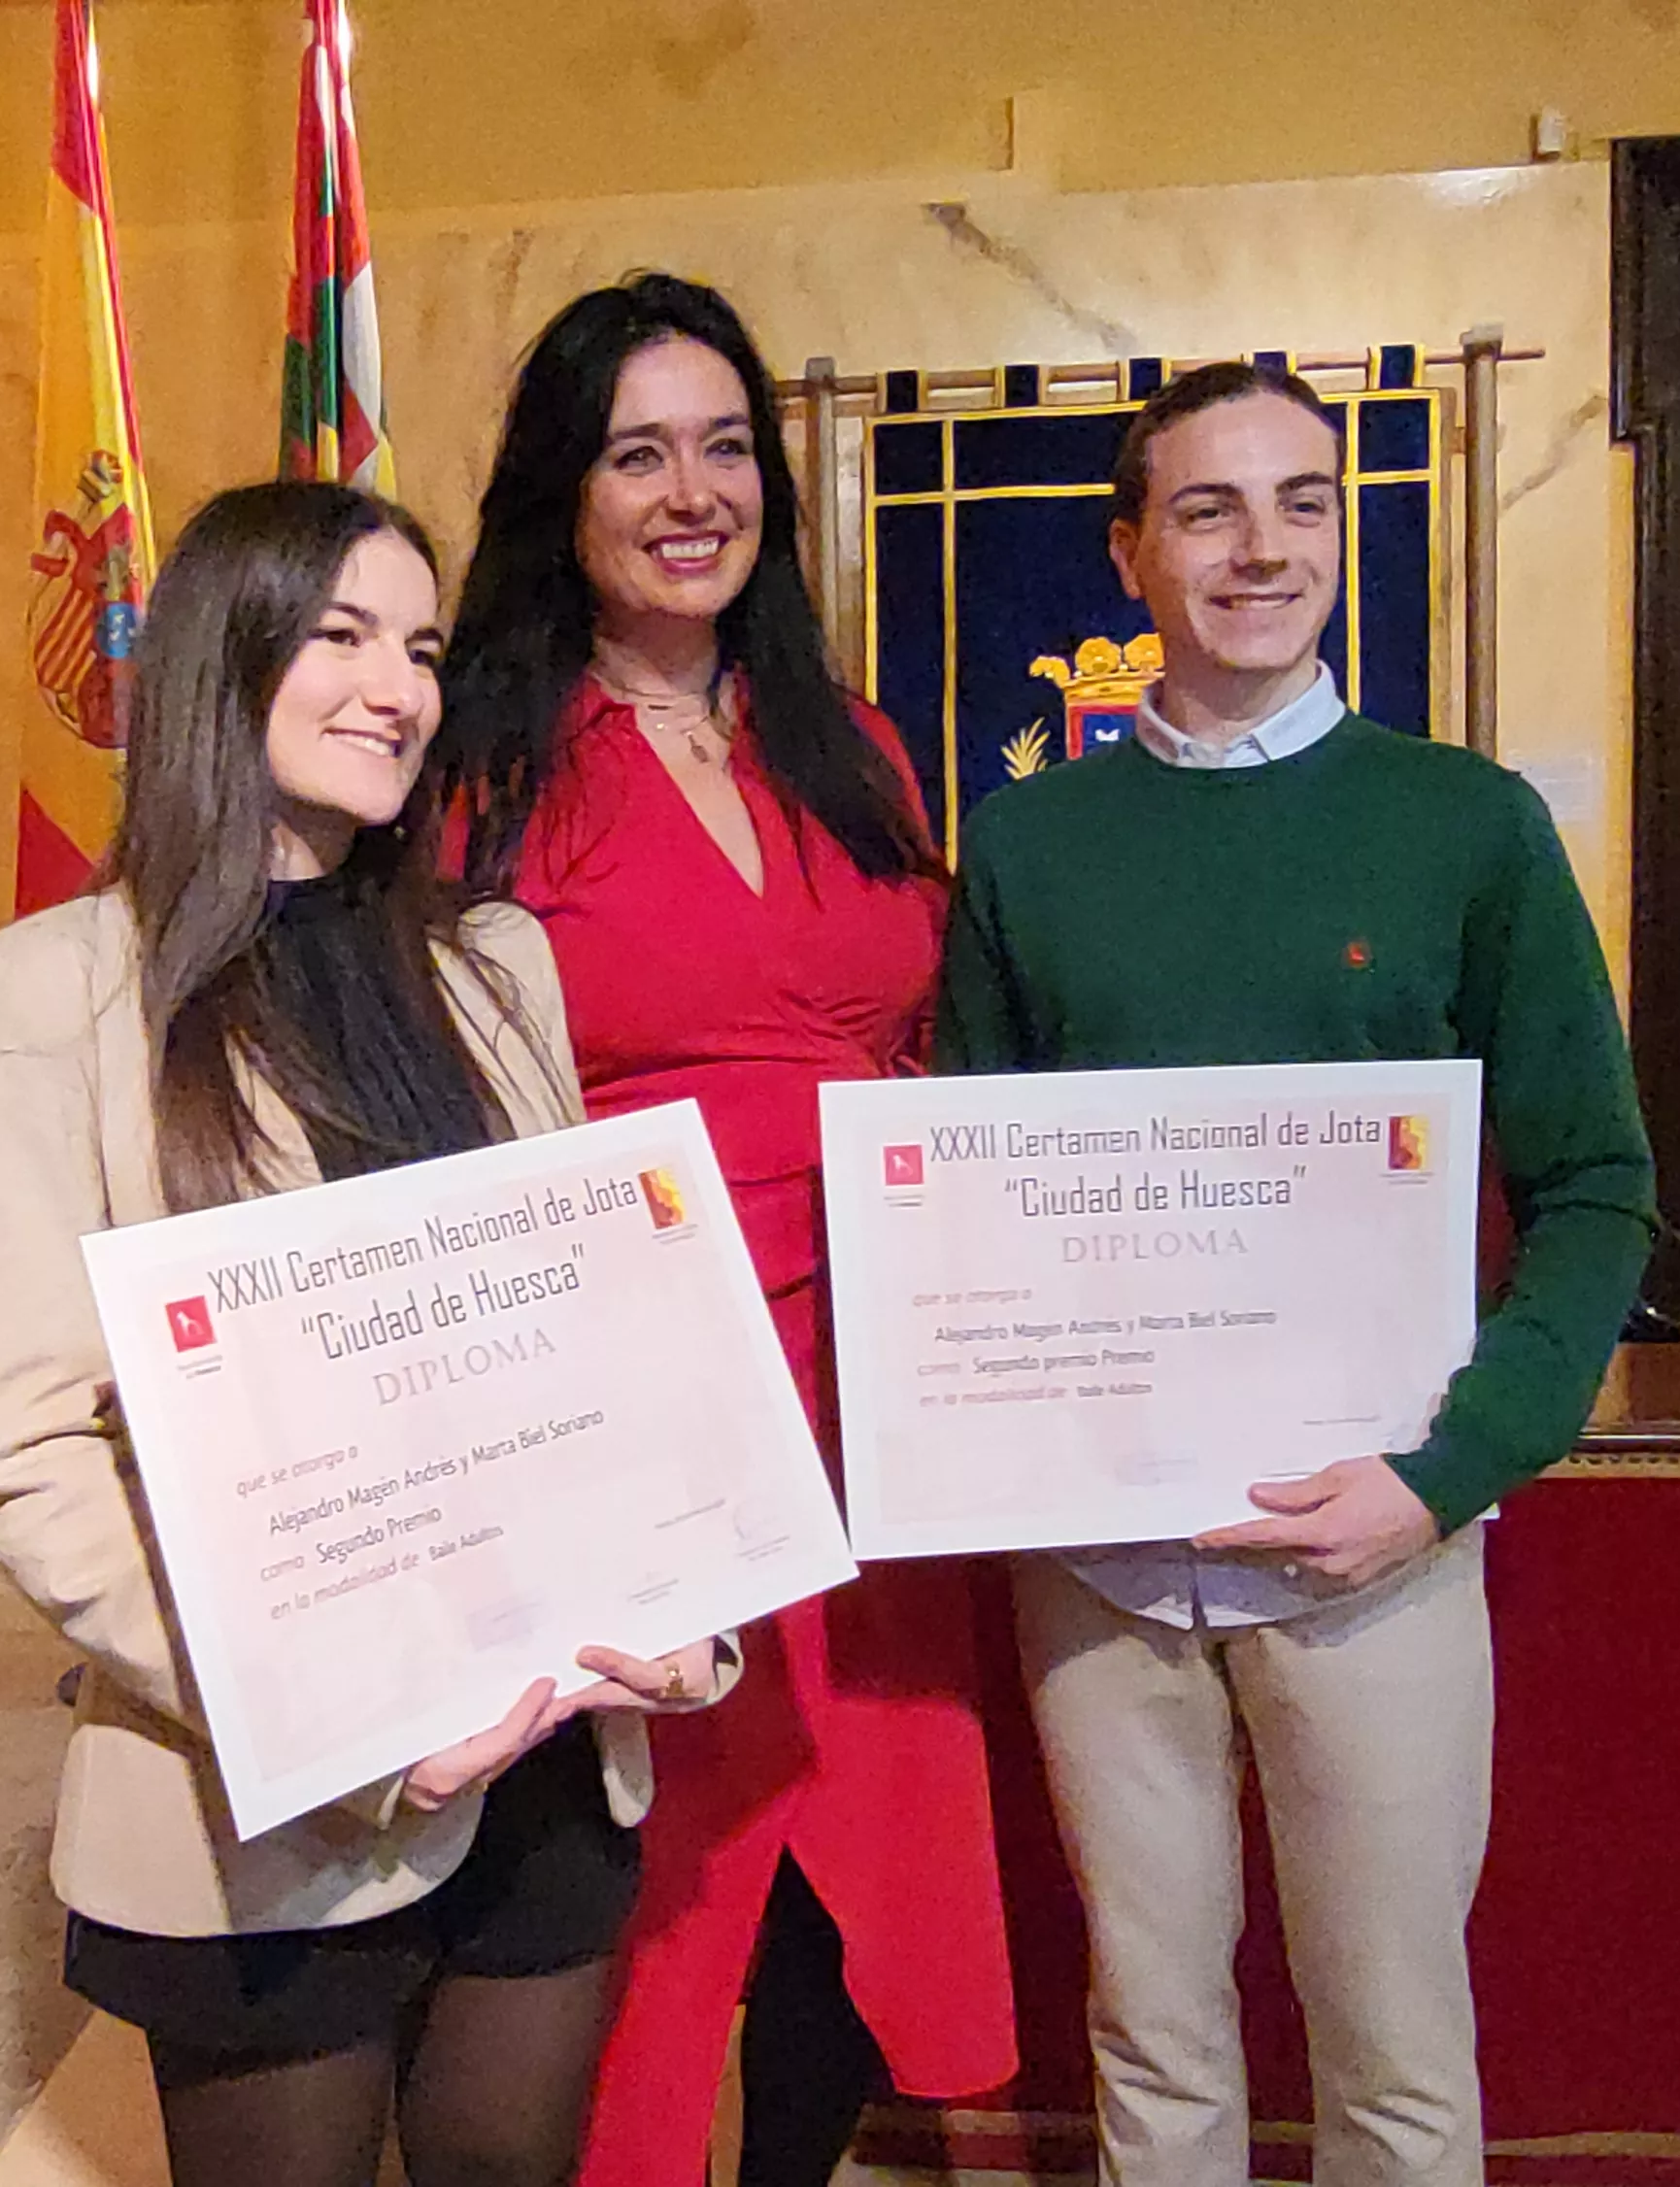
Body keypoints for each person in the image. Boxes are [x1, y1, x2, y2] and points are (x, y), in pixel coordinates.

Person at [0, 480, 733, 2187]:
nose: (400, 686)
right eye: (344, 634)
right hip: (265, 1799)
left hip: (542, 1753)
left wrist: (682, 1592)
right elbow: (20, 1450)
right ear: (227, 657)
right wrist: (325, 1710)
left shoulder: (497, 962)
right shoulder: (45, 996)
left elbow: (589, 1344)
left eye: (424, 647)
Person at [935, 362, 1659, 2187]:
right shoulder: (1027, 841)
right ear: (1130, 555)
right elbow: (978, 1192)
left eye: (1304, 502)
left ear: (1345, 530)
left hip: (1379, 1547)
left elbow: (1598, 1191)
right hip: (1105, 1563)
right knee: (1152, 2044)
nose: (1264, 547)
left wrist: (1446, 1477)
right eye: (1209, 508)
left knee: (1398, 2054)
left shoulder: (1467, 825)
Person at [431, 274, 1023, 2187]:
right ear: (561, 493)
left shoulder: (849, 743)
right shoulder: (477, 771)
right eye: (634, 452)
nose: (689, 491)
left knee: (871, 1868)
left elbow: (935, 1043)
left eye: (721, 446)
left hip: (881, 1389)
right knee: (658, 1865)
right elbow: (439, 1117)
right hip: (646, 1394)